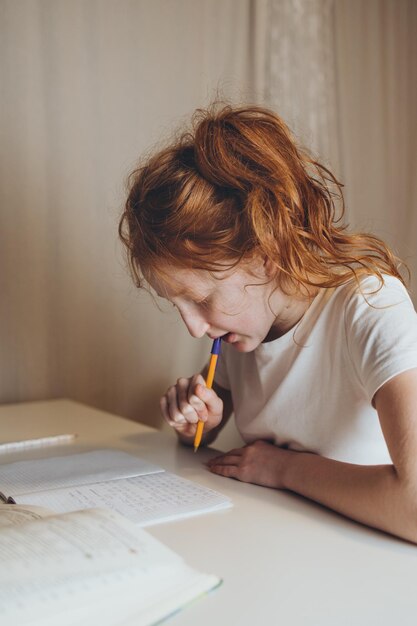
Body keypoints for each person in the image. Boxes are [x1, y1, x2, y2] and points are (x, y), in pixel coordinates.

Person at [119, 104, 417, 543]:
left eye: (201, 299)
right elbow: (203, 436)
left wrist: (281, 468)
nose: (194, 328)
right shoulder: (245, 329)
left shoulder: (369, 306)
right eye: (178, 305)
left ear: (265, 257)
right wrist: (195, 423)